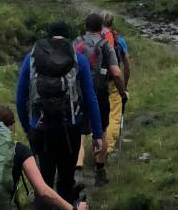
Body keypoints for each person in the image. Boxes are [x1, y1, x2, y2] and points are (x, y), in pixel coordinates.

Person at [16, 21, 104, 207]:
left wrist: (27, 127)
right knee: (65, 182)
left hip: (39, 128)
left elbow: (20, 97)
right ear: (68, 37)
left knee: (42, 184)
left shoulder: (31, 59)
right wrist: (97, 134)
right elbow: (90, 98)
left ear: (49, 37)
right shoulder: (77, 59)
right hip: (69, 129)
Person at [74, 12, 128, 186]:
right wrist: (122, 91)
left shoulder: (76, 43)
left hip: (78, 93)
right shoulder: (106, 45)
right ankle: (100, 170)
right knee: (102, 129)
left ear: (85, 26)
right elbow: (116, 72)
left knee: (80, 132)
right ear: (101, 28)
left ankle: (78, 170)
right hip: (100, 92)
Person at [102, 11, 131, 154]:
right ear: (112, 23)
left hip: (97, 81)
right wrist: (124, 86)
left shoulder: (93, 38)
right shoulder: (118, 40)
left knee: (100, 113)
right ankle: (108, 148)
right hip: (113, 80)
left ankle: (97, 146)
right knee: (114, 113)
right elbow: (126, 64)